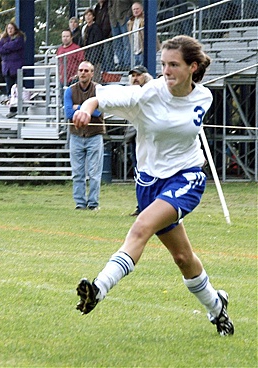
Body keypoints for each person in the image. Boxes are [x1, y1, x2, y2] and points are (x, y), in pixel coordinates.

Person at [73, 35, 234, 336]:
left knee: (141, 227)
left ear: (193, 67)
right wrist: (86, 108)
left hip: (187, 177)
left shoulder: (205, 97)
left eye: (174, 65)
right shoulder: (147, 94)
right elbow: (100, 98)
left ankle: (98, 288)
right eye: (163, 64)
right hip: (149, 184)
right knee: (183, 258)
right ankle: (217, 307)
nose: (166, 71)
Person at [64, 61, 105, 210]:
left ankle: (93, 203)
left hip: (95, 135)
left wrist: (78, 107)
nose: (83, 73)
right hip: (76, 136)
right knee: (77, 173)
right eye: (81, 70)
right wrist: (87, 108)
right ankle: (80, 203)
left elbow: (98, 112)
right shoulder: (70, 90)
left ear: (92, 73)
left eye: (86, 71)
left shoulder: (98, 90)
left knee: (94, 173)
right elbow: (68, 113)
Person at [124, 65, 153, 216]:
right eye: (133, 75)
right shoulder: (130, 93)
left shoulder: (152, 91)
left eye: (138, 75)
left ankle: (153, 206)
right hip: (134, 138)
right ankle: (141, 205)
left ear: (145, 77)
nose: (135, 78)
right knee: (139, 172)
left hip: (151, 139)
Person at [0, 22, 25, 118]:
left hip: (16, 67)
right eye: (8, 28)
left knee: (17, 89)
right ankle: (12, 109)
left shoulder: (19, 38)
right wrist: (9, 47)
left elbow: (15, 46)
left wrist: (6, 47)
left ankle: (20, 109)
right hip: (6, 68)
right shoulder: (3, 38)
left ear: (15, 29)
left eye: (11, 28)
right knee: (9, 90)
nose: (10, 30)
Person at [127, 2, 161, 66]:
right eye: (134, 9)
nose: (136, 11)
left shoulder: (146, 19)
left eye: (137, 9)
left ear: (142, 9)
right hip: (135, 50)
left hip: (144, 49)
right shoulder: (130, 22)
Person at [108, 0, 134, 70]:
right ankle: (120, 63)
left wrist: (128, 14)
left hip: (124, 18)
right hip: (114, 20)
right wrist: (111, 15)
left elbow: (135, 2)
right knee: (117, 44)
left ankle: (127, 64)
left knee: (127, 43)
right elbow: (110, 5)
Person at [81, 9, 103, 82]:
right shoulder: (84, 28)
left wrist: (92, 59)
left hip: (95, 60)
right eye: (86, 15)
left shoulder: (96, 28)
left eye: (90, 15)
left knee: (95, 80)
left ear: (93, 16)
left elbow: (97, 44)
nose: (88, 17)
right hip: (86, 56)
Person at [94, 0, 115, 72]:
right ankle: (104, 72)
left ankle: (110, 71)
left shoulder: (108, 5)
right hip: (99, 36)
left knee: (108, 55)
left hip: (107, 35)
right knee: (102, 56)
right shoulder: (96, 8)